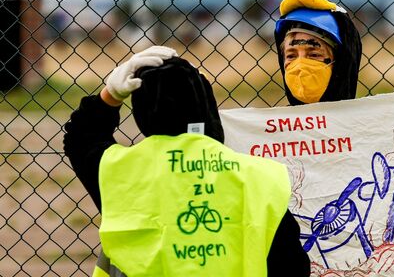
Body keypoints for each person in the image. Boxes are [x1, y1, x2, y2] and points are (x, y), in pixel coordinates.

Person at [63, 47, 310, 276]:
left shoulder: (119, 171)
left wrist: (112, 95)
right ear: (206, 104)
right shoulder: (260, 178)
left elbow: (80, 139)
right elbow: (292, 264)